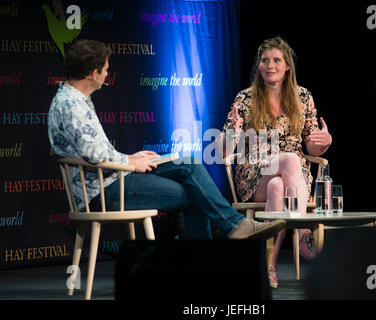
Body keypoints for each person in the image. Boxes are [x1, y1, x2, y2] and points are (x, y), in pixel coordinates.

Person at [47, 39, 286, 242]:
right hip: (102, 190)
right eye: (106, 69)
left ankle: (234, 227)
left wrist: (131, 158)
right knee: (195, 194)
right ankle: (231, 230)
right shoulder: (70, 105)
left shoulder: (77, 99)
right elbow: (94, 155)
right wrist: (130, 164)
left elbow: (94, 151)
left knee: (190, 165)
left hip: (113, 175)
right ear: (92, 73)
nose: (107, 74)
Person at [219, 37, 332, 287]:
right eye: (265, 60)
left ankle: (268, 264)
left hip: (293, 180)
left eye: (276, 60)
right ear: (259, 66)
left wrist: (325, 140)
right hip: (254, 173)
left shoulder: (303, 97)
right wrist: (228, 139)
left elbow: (312, 145)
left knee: (278, 187)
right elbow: (225, 149)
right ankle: (303, 232)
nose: (270, 65)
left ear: (287, 66)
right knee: (290, 160)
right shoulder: (245, 98)